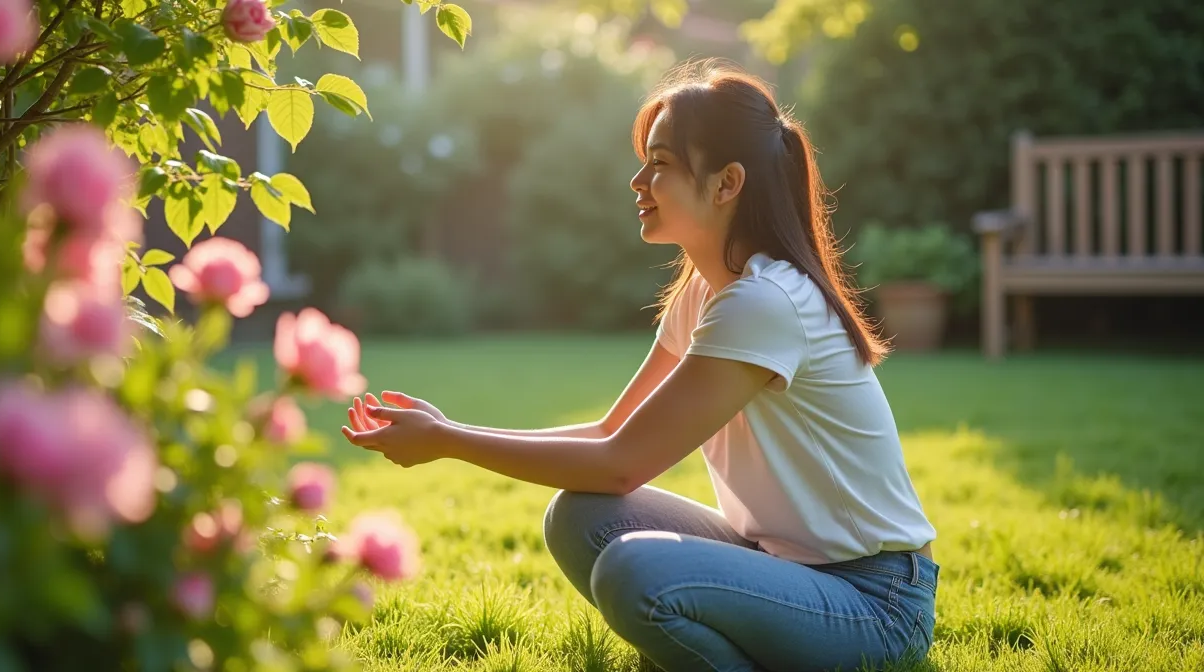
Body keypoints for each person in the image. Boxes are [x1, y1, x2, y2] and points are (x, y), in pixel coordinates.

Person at [341, 58, 939, 672]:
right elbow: (612, 433)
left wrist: (448, 442)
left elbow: (621, 464)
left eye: (660, 163)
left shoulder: (766, 302)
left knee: (635, 568)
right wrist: (448, 430)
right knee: (579, 515)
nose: (637, 181)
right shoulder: (706, 294)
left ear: (727, 183)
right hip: (782, 567)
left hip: (875, 603)